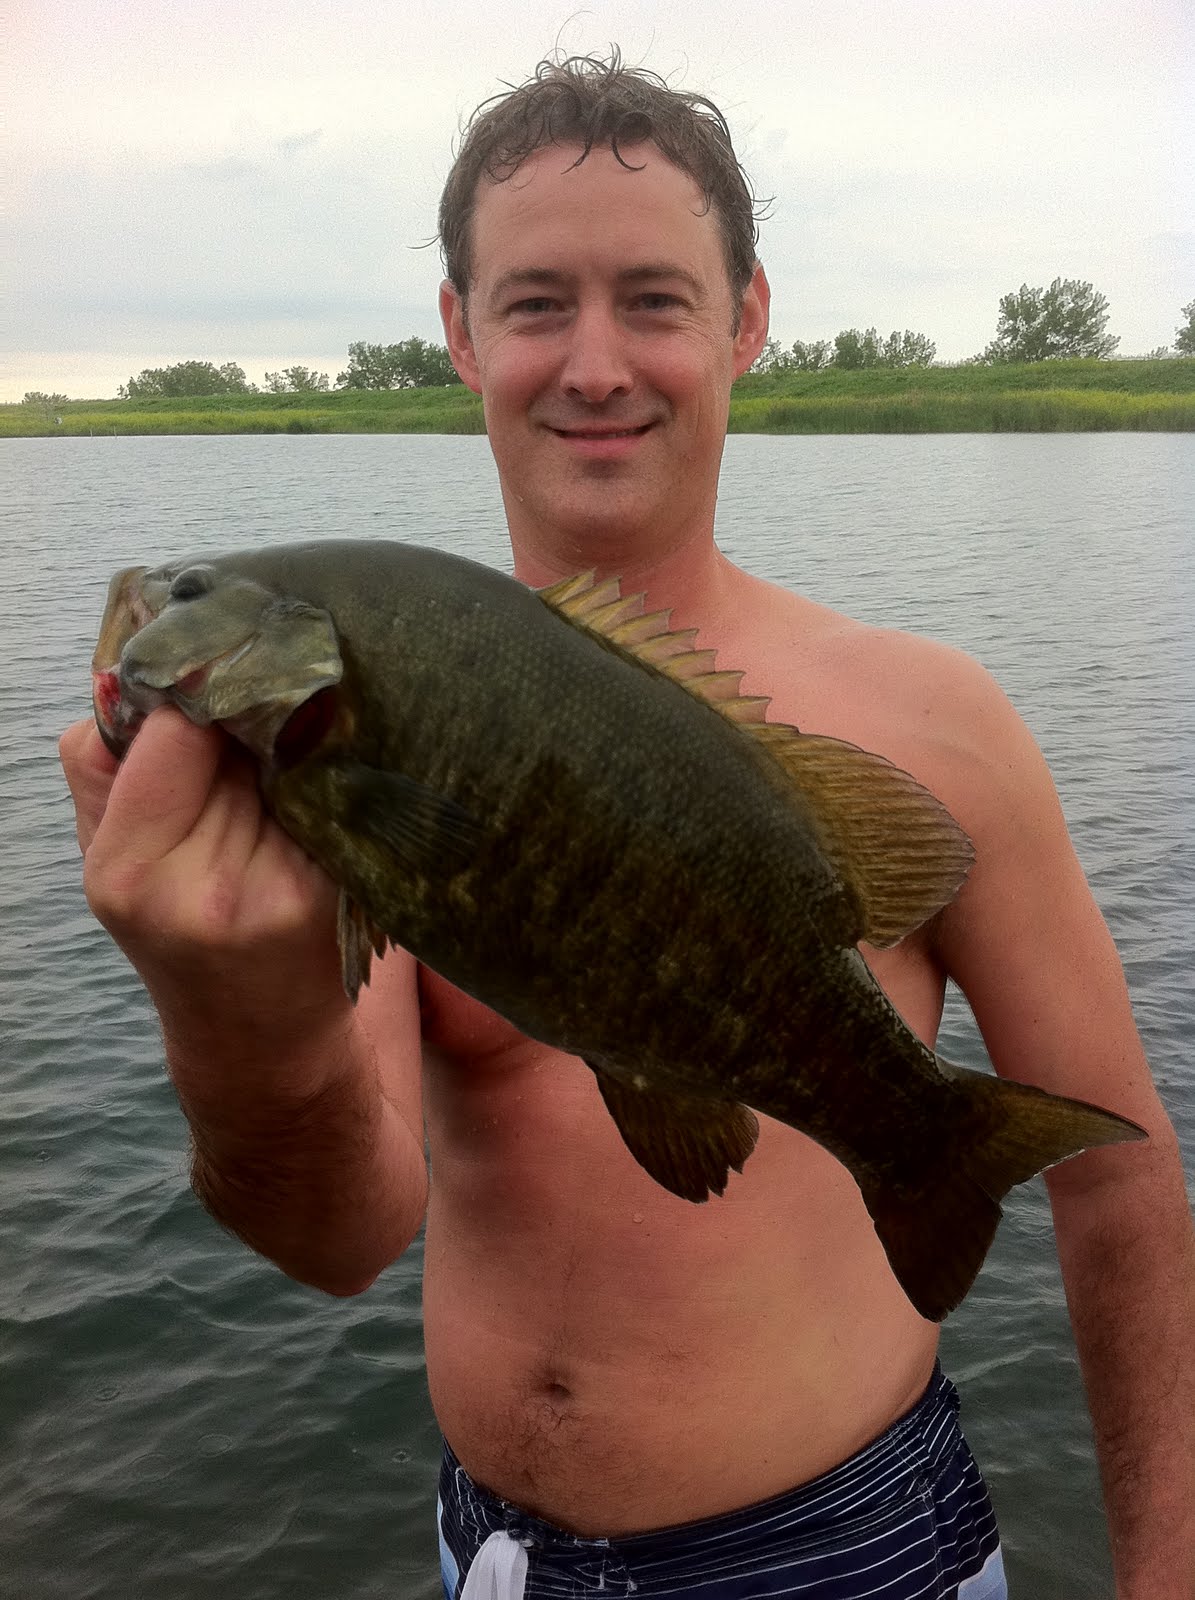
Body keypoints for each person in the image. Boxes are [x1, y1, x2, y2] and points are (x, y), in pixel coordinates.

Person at [60, 53, 1192, 1600]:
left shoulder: (938, 721)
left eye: (654, 300)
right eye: (536, 304)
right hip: (490, 1560)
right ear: (461, 332)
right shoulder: (340, 756)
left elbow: (1117, 1183)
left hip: (855, 1562)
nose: (595, 365)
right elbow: (334, 1237)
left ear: (747, 322)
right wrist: (223, 1015)